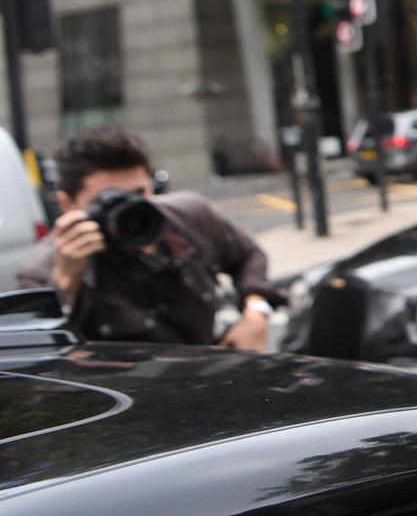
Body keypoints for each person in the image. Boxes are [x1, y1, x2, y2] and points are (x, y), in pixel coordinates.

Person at [18, 124, 275, 349]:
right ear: (68, 204)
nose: (129, 211)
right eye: (109, 200)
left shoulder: (187, 217)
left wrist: (255, 313)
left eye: (138, 194)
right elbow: (41, 353)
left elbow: (249, 255)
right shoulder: (43, 270)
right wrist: (65, 282)